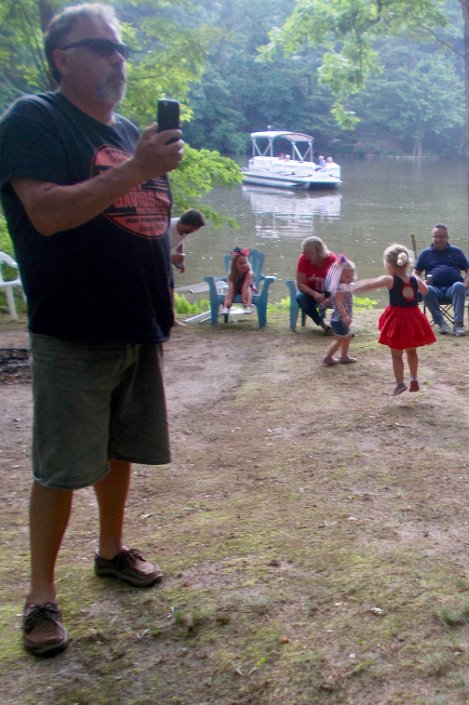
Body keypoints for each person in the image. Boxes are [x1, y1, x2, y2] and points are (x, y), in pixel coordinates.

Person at [0, 3, 183, 656]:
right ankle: (40, 597)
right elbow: (46, 213)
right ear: (63, 58)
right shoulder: (34, 118)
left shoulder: (130, 131)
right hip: (73, 325)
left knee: (118, 448)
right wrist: (136, 168)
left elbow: (139, 217)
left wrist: (166, 252)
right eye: (102, 47)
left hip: (137, 321)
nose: (117, 59)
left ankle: (110, 551)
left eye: (121, 48)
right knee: (59, 467)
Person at [354, 244, 436, 395]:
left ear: (389, 265)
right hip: (413, 319)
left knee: (397, 355)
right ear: (407, 263)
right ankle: (414, 378)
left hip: (398, 321)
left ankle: (400, 384)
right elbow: (426, 291)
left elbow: (371, 284)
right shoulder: (415, 279)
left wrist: (353, 286)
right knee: (412, 351)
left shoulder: (389, 279)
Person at [415, 224, 469, 336]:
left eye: (441, 237)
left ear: (447, 237)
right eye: (436, 236)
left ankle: (458, 324)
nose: (438, 239)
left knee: (459, 285)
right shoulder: (425, 254)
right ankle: (441, 323)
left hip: (452, 289)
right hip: (434, 289)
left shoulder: (456, 251)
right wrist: (421, 283)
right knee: (426, 289)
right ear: (432, 237)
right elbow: (415, 273)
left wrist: (466, 282)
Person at [295, 236, 341, 334]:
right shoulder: (303, 259)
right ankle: (324, 326)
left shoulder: (331, 259)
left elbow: (338, 283)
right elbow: (300, 284)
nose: (303, 253)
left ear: (316, 252)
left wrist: (330, 298)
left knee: (342, 295)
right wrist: (314, 294)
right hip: (310, 291)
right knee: (300, 298)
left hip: (328, 291)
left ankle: (340, 325)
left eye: (306, 251)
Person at [167, 208, 205, 322]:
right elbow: (155, 252)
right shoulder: (167, 229)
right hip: (154, 260)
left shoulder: (184, 230)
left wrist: (180, 259)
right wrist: (172, 258)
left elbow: (181, 241)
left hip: (165, 258)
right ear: (187, 224)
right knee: (161, 290)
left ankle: (171, 319)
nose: (195, 231)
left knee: (170, 288)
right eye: (195, 229)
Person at [322, 260, 357, 366]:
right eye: (347, 276)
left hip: (339, 319)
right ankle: (328, 358)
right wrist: (345, 315)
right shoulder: (341, 288)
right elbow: (339, 302)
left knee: (347, 337)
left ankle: (344, 357)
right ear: (339, 277)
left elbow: (333, 298)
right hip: (340, 319)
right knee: (339, 340)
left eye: (352, 276)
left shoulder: (341, 286)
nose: (350, 278)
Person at [223, 247, 255, 313]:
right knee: (228, 293)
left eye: (245, 263)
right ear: (235, 265)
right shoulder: (232, 274)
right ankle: (225, 307)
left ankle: (248, 307)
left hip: (246, 288)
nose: (244, 265)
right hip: (235, 289)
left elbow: (245, 286)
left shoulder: (248, 273)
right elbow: (231, 287)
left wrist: (243, 299)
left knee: (248, 290)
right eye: (241, 263)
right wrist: (230, 299)